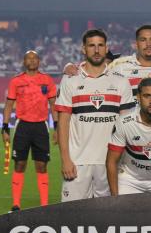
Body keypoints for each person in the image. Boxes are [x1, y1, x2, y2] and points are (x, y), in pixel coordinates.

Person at [55, 29, 135, 202]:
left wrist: (126, 161)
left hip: (111, 163)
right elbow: (63, 123)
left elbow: (127, 125)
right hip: (77, 162)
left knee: (108, 219)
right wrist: (65, 159)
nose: (96, 50)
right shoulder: (70, 80)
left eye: (100, 45)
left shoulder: (120, 81)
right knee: (72, 218)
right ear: (84, 49)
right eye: (92, 46)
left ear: (106, 48)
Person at [2, 50, 57, 211]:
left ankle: (44, 205)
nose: (32, 61)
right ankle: (16, 204)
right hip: (23, 126)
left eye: (34, 58)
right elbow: (9, 105)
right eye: (28, 58)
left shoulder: (46, 80)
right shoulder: (16, 81)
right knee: (20, 164)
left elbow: (53, 104)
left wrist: (57, 127)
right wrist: (5, 128)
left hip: (41, 126)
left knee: (42, 165)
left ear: (39, 61)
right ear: (24, 61)